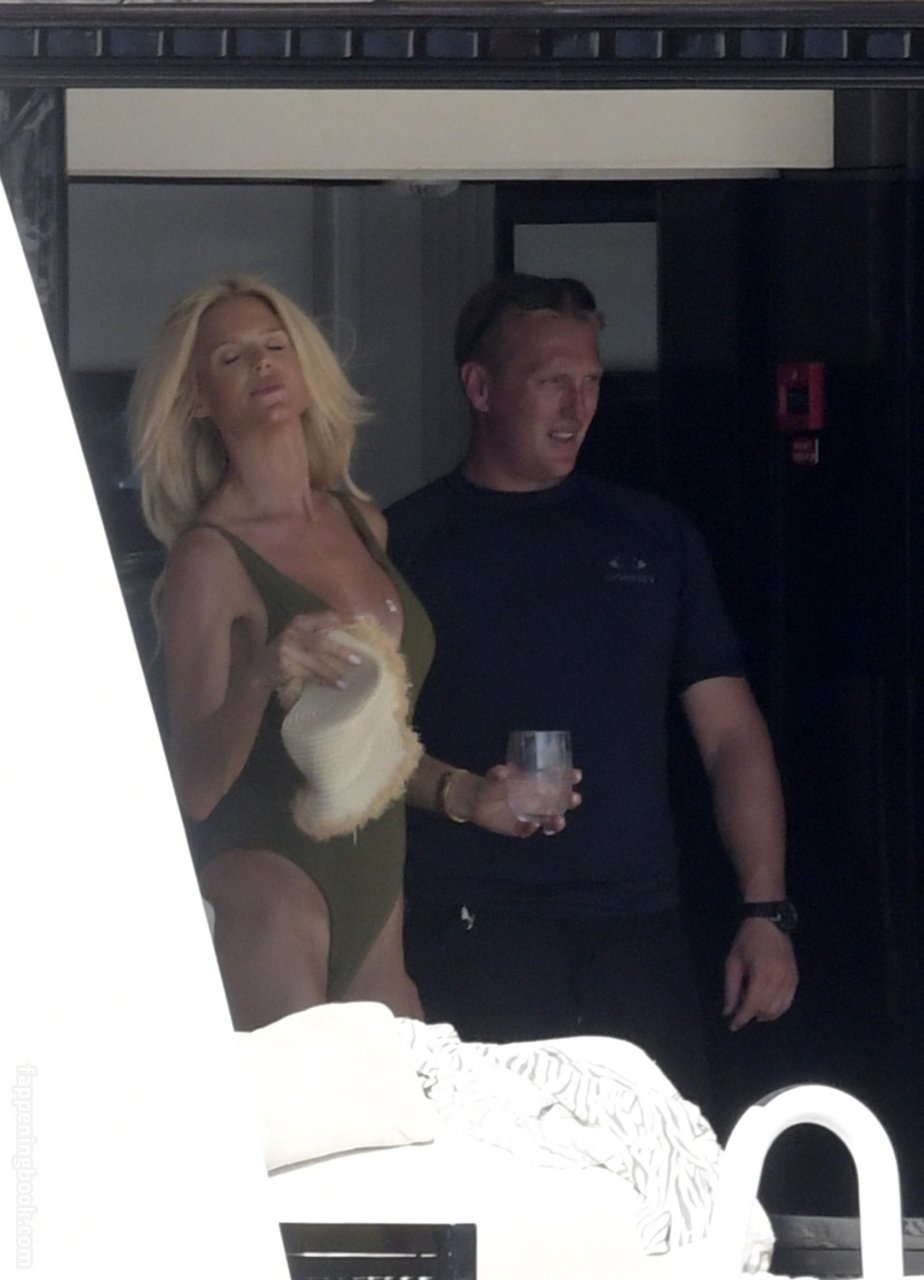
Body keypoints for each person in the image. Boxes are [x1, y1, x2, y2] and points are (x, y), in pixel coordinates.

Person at [386, 273, 798, 1107]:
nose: (577, 407)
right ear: (479, 387)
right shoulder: (406, 543)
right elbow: (359, 749)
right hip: (470, 920)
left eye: (591, 381)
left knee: (659, 1166)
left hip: (637, 925)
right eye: (551, 382)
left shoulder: (652, 535)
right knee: (498, 1172)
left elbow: (730, 733)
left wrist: (768, 911)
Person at [129, 275, 577, 1032]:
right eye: (232, 358)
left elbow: (369, 740)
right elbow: (191, 790)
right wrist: (261, 674)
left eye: (276, 346)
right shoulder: (209, 558)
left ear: (305, 368)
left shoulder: (362, 522)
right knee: (295, 1108)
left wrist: (465, 793)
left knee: (398, 1106)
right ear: (199, 400)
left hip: (374, 891)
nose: (262, 365)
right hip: (270, 884)